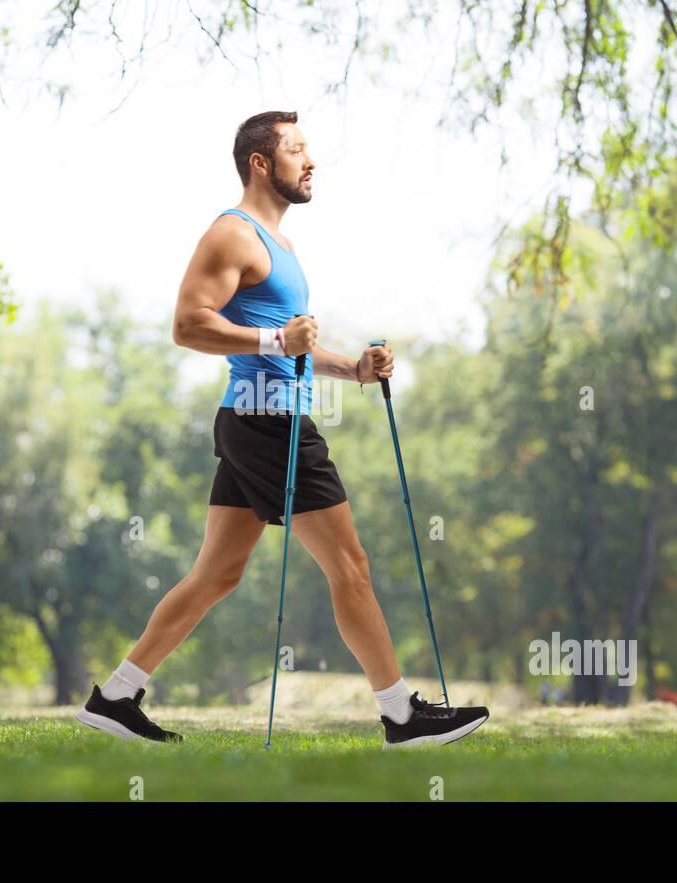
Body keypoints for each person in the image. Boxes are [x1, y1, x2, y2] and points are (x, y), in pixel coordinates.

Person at [75, 111, 489, 749]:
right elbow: (187, 326)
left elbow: (292, 350)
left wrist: (353, 368)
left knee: (218, 574)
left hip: (254, 420)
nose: (311, 161)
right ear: (260, 164)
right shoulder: (231, 235)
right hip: (270, 426)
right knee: (350, 564)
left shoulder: (283, 248)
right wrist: (275, 335)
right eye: (297, 150)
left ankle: (116, 696)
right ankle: (401, 716)